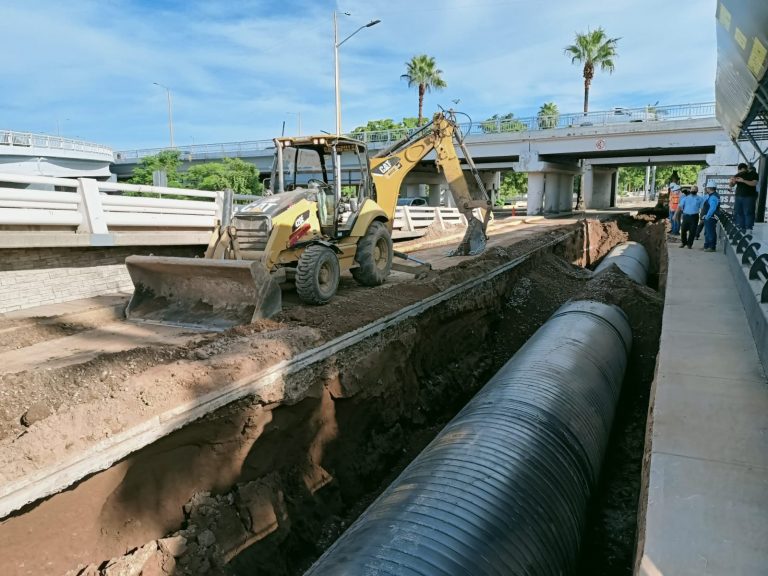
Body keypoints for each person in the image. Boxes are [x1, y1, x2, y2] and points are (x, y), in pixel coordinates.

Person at [729, 163, 758, 232]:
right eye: (739, 171)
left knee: (748, 212)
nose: (740, 172)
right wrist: (731, 182)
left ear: (744, 169)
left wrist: (743, 181)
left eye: (741, 171)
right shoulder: (738, 174)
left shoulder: (754, 174)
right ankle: (740, 228)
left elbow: (754, 183)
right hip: (738, 196)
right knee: (738, 212)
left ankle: (748, 228)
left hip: (749, 197)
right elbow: (731, 185)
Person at [701, 186, 720, 252]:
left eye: (707, 188)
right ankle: (707, 245)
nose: (706, 189)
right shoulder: (711, 195)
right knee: (707, 232)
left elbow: (712, 208)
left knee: (710, 232)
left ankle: (711, 247)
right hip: (709, 217)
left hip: (711, 217)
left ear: (709, 189)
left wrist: (707, 216)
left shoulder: (713, 197)